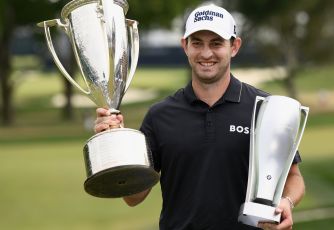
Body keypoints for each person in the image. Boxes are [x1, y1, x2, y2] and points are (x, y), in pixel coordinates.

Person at [94, 3, 305, 230]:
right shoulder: (160, 115)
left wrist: (287, 201)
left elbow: (294, 177)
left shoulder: (264, 109)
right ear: (185, 46)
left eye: (216, 43)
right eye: (197, 43)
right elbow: (133, 197)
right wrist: (116, 145)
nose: (206, 53)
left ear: (234, 46)